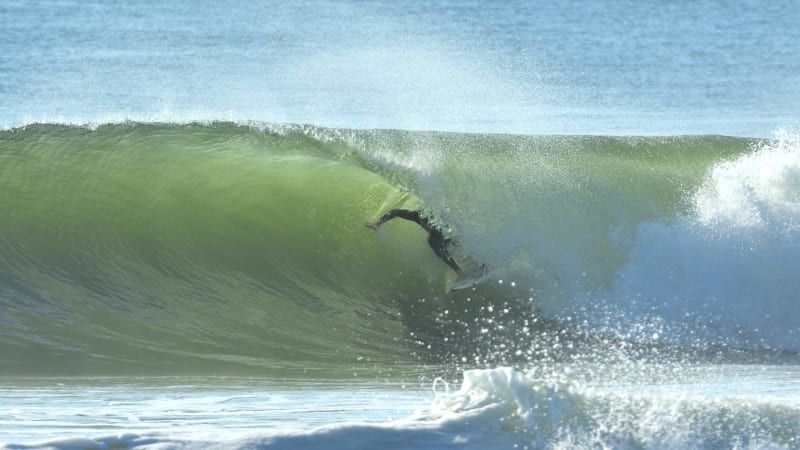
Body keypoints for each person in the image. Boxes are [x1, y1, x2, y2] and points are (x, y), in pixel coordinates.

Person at [365, 209, 463, 274]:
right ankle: (459, 272)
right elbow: (396, 212)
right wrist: (377, 223)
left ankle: (467, 266)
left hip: (454, 236)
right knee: (432, 241)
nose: (427, 225)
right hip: (443, 240)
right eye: (425, 222)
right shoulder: (417, 215)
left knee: (433, 240)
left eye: (429, 222)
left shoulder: (441, 217)